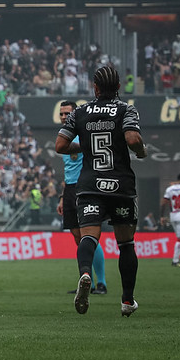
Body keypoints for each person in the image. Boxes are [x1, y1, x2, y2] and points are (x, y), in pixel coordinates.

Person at [55, 66, 147, 317]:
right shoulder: (126, 109)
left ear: (94, 88)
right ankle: (127, 300)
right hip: (120, 185)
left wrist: (84, 144)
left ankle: (86, 274)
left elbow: (60, 145)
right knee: (126, 244)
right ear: (118, 87)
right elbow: (132, 139)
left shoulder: (81, 112)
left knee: (88, 238)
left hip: (89, 185)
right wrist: (141, 151)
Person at [57, 101, 107, 296]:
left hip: (84, 188)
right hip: (70, 189)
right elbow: (68, 169)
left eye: (66, 113)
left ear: (75, 114)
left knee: (89, 235)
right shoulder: (64, 137)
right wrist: (62, 197)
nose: (63, 117)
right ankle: (89, 283)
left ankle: (101, 283)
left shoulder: (83, 134)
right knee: (78, 237)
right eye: (61, 113)